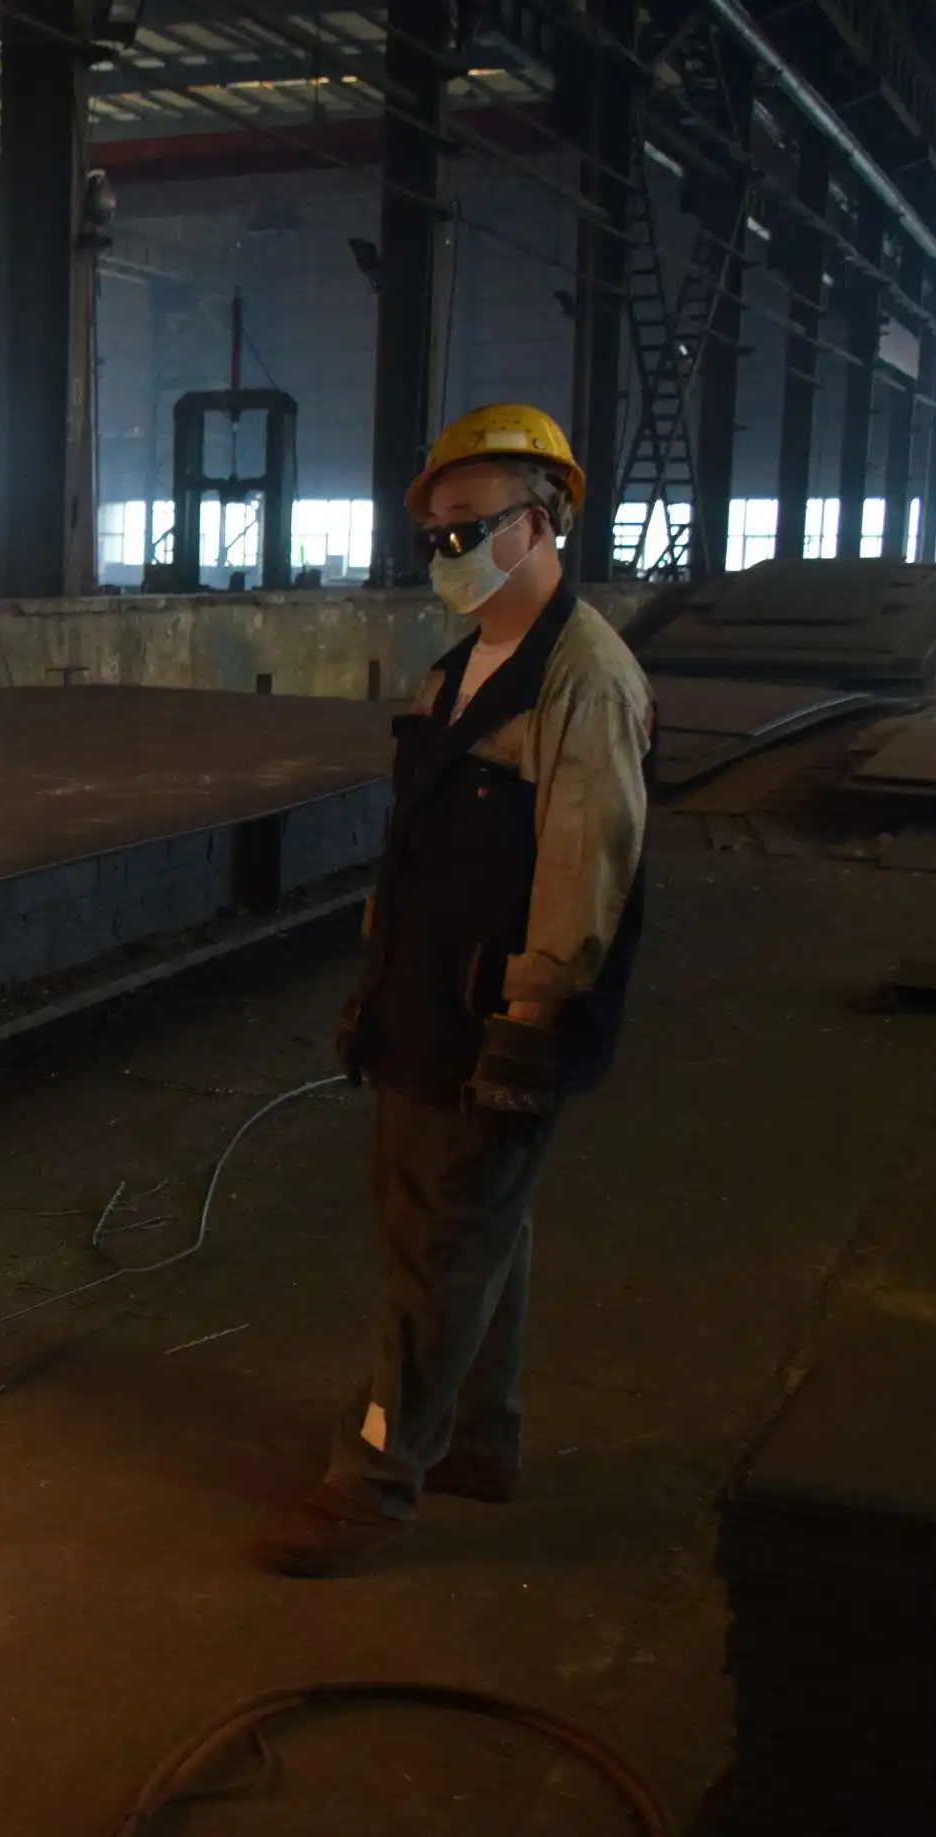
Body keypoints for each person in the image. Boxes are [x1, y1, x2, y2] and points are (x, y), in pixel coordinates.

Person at [260, 403, 654, 1578]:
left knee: (441, 1250)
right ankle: (479, 1439)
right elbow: (420, 853)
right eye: (434, 532)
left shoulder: (585, 678)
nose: (448, 552)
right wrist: (379, 986)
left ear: (541, 523)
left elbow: (589, 865)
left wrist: (530, 1021)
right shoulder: (459, 670)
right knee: (474, 1236)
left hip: (498, 1020)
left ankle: (373, 1484)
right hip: (425, 1005)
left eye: (469, 526)